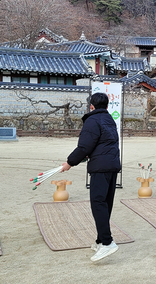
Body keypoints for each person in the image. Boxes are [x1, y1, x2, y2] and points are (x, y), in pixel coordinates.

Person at [61, 92, 122, 262]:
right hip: (112, 165)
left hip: (101, 168)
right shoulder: (109, 119)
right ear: (107, 106)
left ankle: (108, 242)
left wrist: (69, 163)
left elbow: (84, 147)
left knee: (98, 203)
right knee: (105, 203)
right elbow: (102, 144)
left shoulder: (92, 120)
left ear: (91, 106)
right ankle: (101, 240)